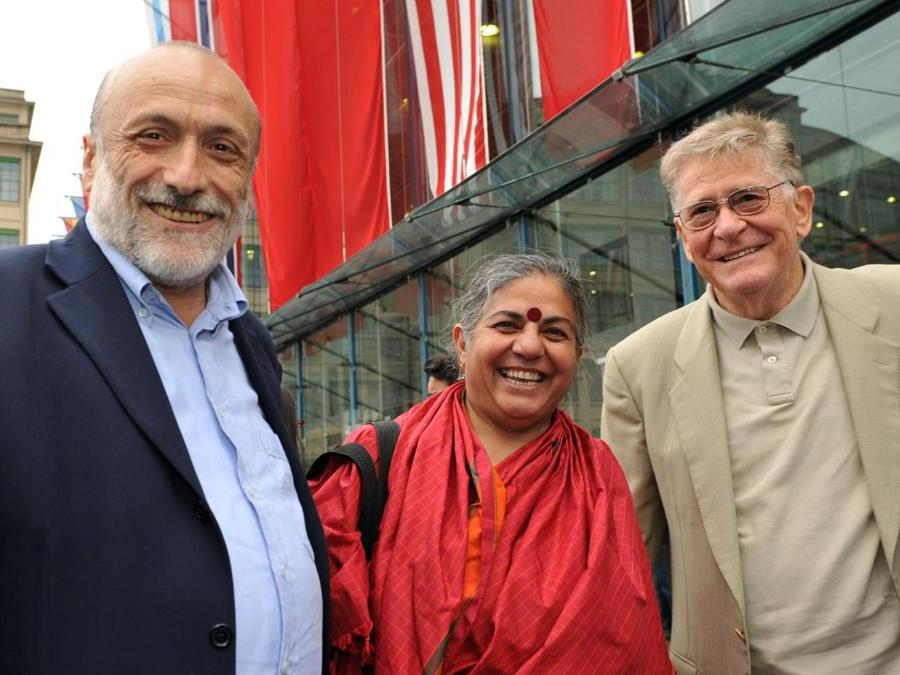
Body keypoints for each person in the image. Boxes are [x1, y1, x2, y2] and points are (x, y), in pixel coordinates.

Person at [0, 42, 328, 675]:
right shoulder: (8, 308)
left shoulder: (250, 342)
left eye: (222, 148)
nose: (186, 176)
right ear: (92, 160)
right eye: (154, 135)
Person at [601, 111, 900, 674]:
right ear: (684, 238)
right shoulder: (639, 367)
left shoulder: (894, 306)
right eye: (702, 212)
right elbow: (625, 565)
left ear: (802, 208)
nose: (728, 227)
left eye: (747, 199)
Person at [310, 252, 671, 674]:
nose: (530, 346)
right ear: (463, 344)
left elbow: (626, 638)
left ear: (577, 355)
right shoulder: (377, 458)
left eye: (554, 332)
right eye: (507, 325)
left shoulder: (597, 473)